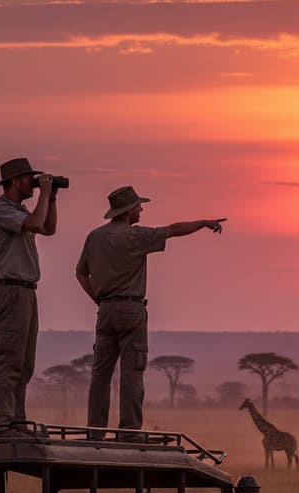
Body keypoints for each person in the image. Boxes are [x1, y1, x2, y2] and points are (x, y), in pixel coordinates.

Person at [75, 185, 225, 436]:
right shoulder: (135, 236)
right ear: (128, 211)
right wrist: (203, 222)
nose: (141, 209)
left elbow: (80, 273)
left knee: (100, 375)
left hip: (105, 311)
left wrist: (99, 300)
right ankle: (129, 432)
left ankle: (95, 432)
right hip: (131, 310)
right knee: (132, 373)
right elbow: (174, 230)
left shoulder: (94, 237)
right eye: (138, 206)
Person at [0, 157, 59, 435]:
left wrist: (51, 199)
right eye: (29, 179)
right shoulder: (1, 211)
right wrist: (44, 192)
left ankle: (16, 421)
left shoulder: (20, 211)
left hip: (26, 291)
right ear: (15, 182)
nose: (32, 183)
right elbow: (34, 223)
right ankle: (3, 423)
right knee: (9, 359)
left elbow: (48, 228)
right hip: (11, 289)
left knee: (24, 363)